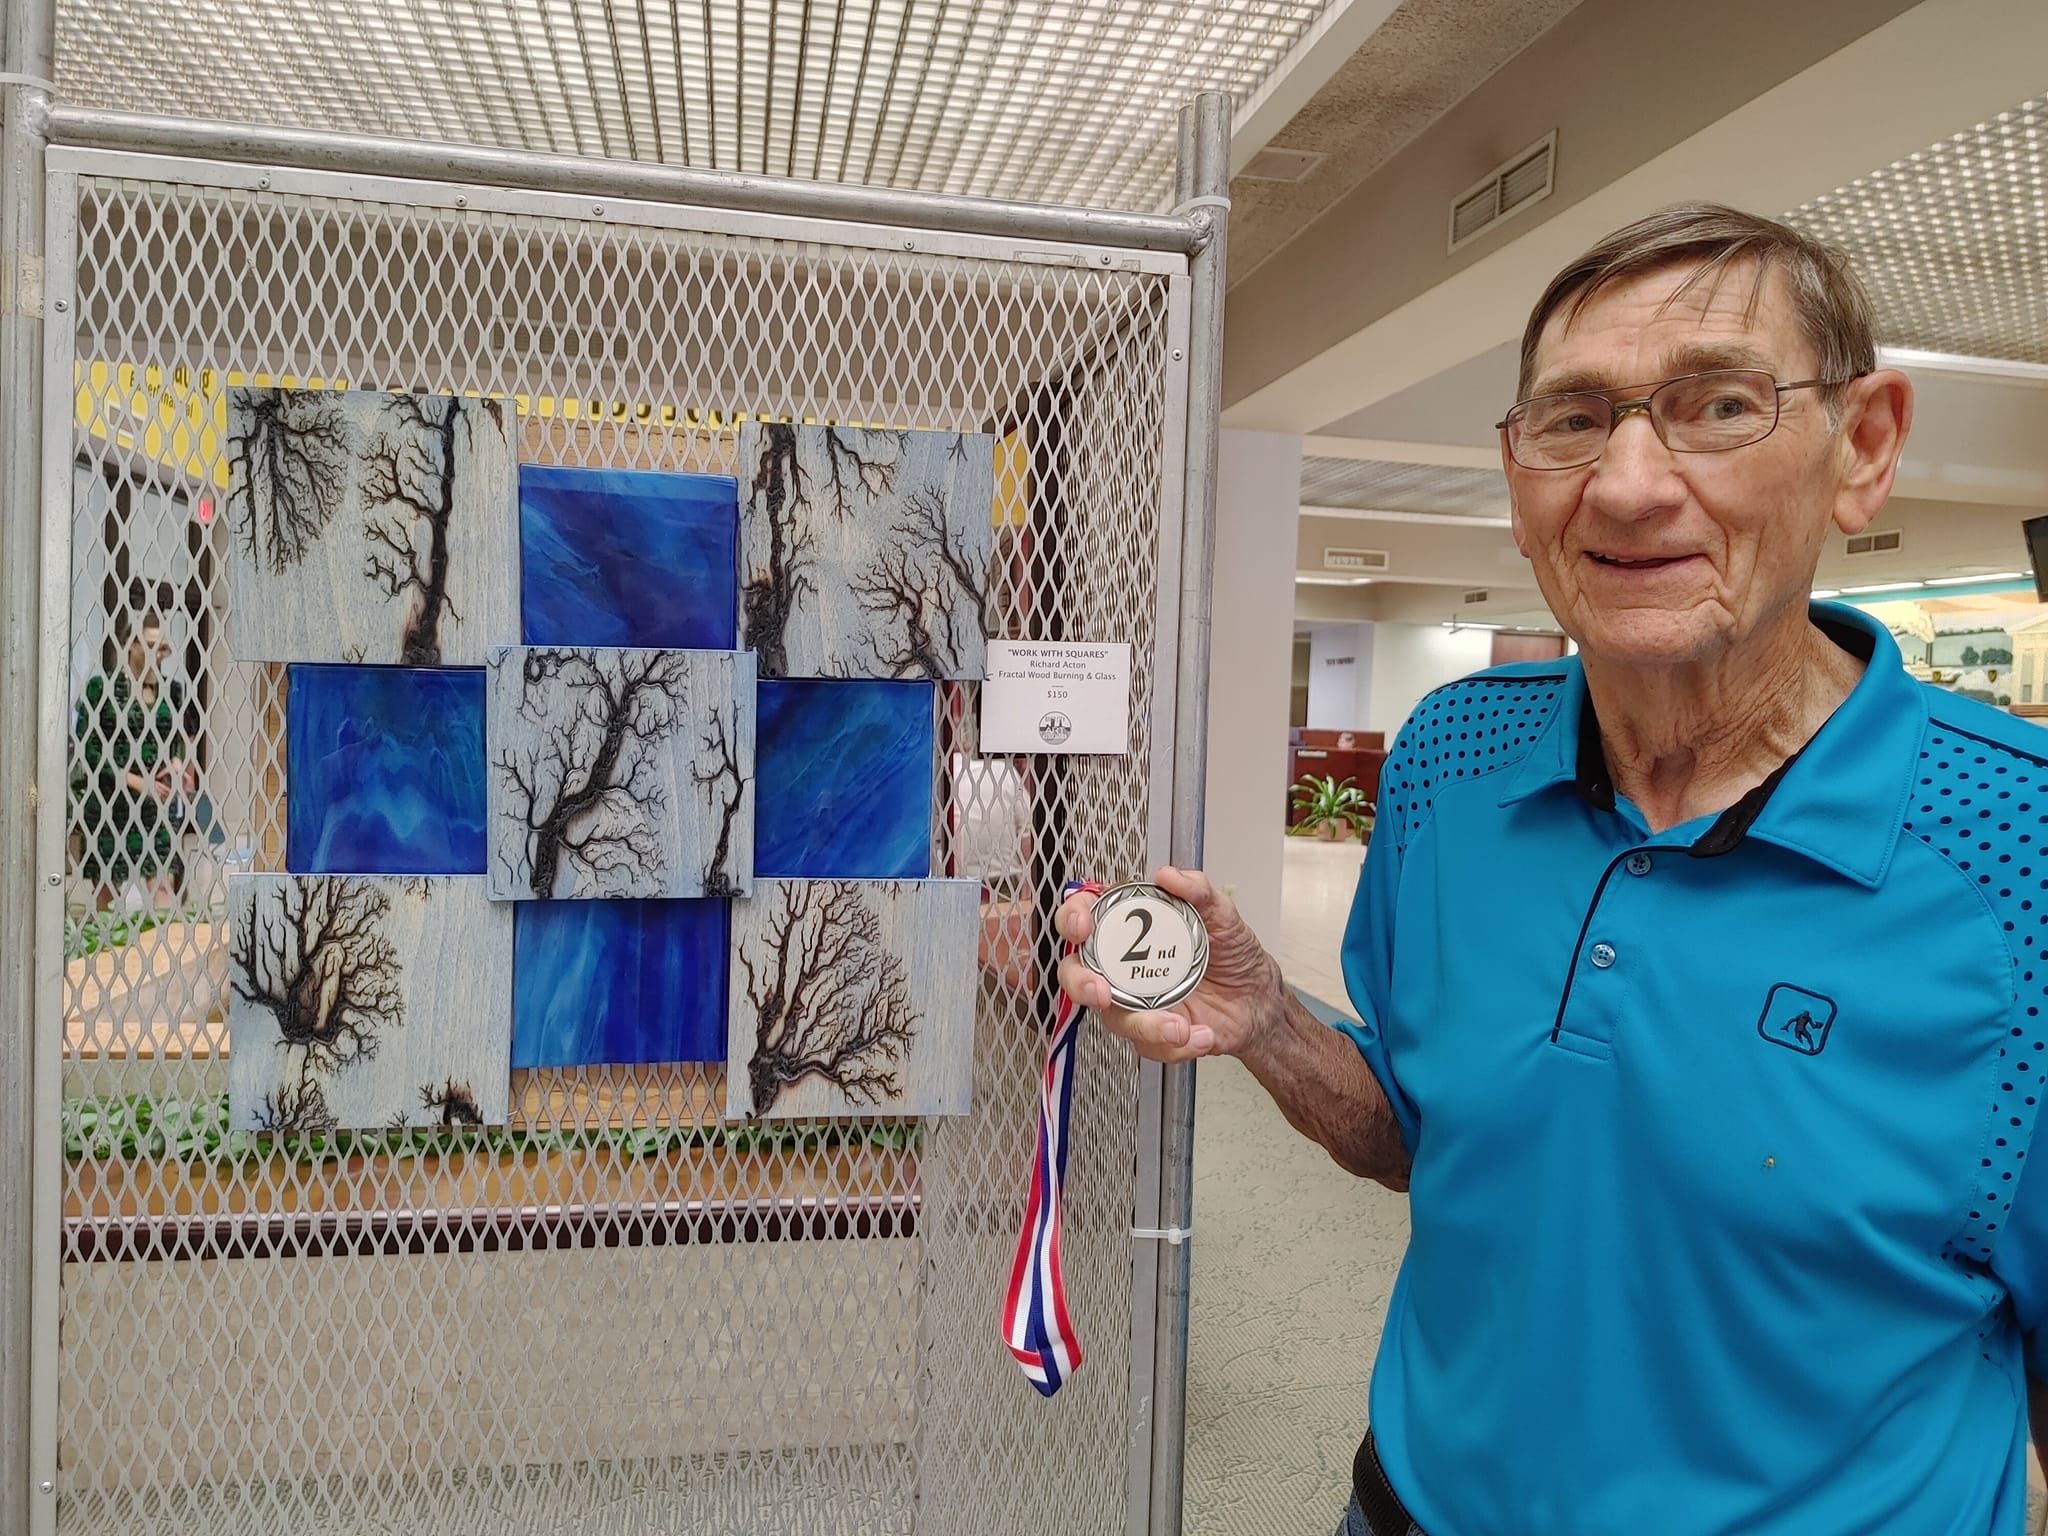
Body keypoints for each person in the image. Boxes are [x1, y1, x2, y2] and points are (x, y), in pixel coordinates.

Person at [1060, 204, 2048, 1534]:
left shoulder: (2020, 848)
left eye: (1717, 406)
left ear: (1862, 447)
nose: (1627, 485)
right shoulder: (1449, 758)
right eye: (1573, 420)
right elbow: (1424, 1137)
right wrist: (1266, 1020)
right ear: (1516, 475)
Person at [71, 601, 189, 912]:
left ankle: (163, 940)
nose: (157, 655)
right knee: (107, 894)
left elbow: (177, 737)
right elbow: (89, 748)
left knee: (164, 886)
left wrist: (176, 763)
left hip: (155, 804)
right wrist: (134, 780)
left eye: (162, 648)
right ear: (130, 645)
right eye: (150, 646)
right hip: (111, 803)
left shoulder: (170, 692)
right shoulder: (102, 688)